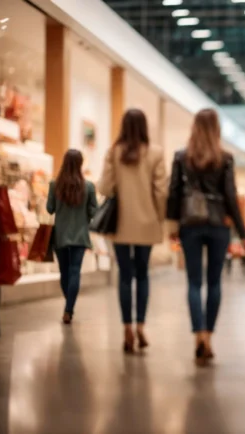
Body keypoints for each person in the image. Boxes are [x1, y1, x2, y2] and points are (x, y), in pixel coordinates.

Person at [166, 108, 245, 366]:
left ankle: (198, 335)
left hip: (190, 224)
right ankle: (209, 338)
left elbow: (174, 193)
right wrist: (243, 232)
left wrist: (172, 225)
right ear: (217, 130)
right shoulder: (224, 158)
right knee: (214, 283)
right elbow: (230, 196)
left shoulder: (181, 157)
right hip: (217, 225)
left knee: (193, 282)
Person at [98, 108, 168, 354]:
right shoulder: (156, 153)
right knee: (143, 275)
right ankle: (140, 325)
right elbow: (161, 192)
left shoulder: (113, 152)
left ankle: (126, 326)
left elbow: (105, 188)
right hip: (147, 223)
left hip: (120, 224)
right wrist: (159, 219)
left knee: (125, 276)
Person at [47, 150, 98, 324]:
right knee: (75, 271)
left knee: (64, 272)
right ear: (80, 164)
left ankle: (69, 305)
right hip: (80, 236)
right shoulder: (89, 186)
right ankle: (69, 308)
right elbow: (94, 211)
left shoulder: (55, 185)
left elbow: (49, 208)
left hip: (60, 236)